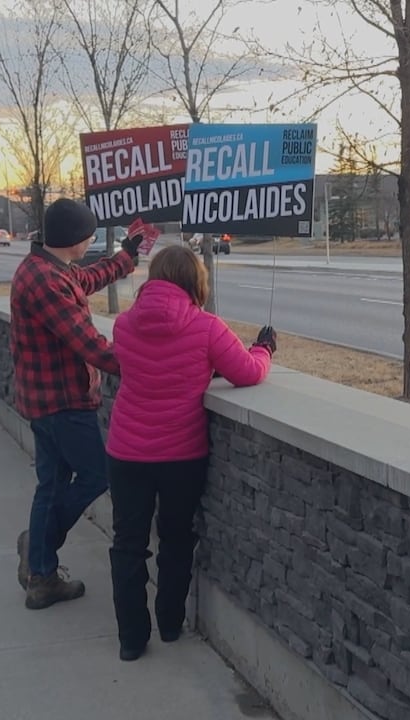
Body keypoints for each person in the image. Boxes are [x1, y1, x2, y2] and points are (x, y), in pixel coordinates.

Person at [105, 244, 277, 661]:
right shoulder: (206, 327)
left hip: (126, 452)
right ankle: (169, 624)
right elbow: (248, 372)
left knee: (127, 544)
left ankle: (131, 639)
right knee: (176, 538)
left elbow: (151, 365)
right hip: (181, 455)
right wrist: (264, 348)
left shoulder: (124, 325)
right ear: (195, 281)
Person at [11, 198, 142, 610]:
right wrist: (148, 364)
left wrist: (126, 258)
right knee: (97, 474)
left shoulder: (47, 268)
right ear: (75, 239)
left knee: (50, 486)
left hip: (44, 400)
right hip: (63, 402)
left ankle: (42, 576)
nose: (90, 243)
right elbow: (89, 344)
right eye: (88, 236)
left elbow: (84, 279)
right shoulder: (47, 283)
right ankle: (38, 553)